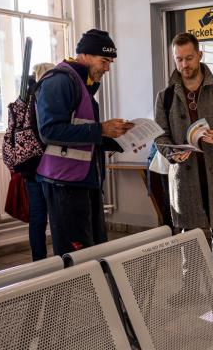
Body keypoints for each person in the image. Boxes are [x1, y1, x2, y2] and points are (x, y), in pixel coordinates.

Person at [155, 32, 213, 303]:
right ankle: (190, 288)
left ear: (200, 56)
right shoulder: (166, 96)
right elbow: (160, 136)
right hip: (184, 175)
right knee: (189, 234)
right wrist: (172, 152)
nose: (184, 65)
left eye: (189, 58)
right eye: (179, 59)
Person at [36, 29, 133, 256]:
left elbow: (83, 133)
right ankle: (76, 292)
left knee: (93, 249)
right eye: (104, 61)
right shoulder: (59, 81)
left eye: (110, 62)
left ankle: (91, 291)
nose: (108, 68)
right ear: (85, 55)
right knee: (75, 254)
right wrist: (101, 129)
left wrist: (117, 137)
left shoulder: (82, 83)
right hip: (64, 184)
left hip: (84, 181)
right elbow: (49, 131)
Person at [24, 62, 55, 260]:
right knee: (58, 216)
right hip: (50, 166)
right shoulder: (47, 98)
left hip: (30, 167)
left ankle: (38, 260)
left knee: (37, 218)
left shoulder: (24, 100)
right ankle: (65, 258)